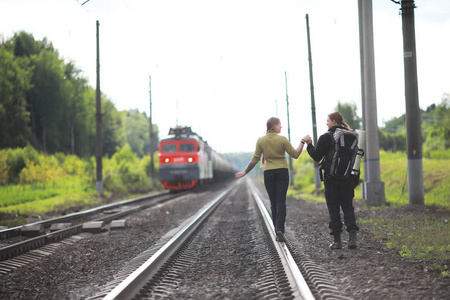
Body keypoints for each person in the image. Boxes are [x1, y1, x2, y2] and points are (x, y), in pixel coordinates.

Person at [235, 117, 308, 243]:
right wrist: (302, 141)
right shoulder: (282, 139)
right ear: (274, 126)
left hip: (268, 173)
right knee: (281, 202)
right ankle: (280, 229)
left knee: (273, 203)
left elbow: (255, 159)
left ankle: (276, 231)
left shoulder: (261, 140)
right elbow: (295, 154)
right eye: (280, 125)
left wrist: (245, 172)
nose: (281, 127)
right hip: (282, 172)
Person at [303, 112, 359, 249]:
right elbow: (356, 159)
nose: (326, 123)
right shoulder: (353, 136)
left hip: (331, 179)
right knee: (348, 207)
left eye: (328, 120)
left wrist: (309, 145)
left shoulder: (326, 137)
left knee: (333, 208)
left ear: (334, 121)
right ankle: (352, 238)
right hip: (347, 179)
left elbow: (316, 157)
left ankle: (337, 241)